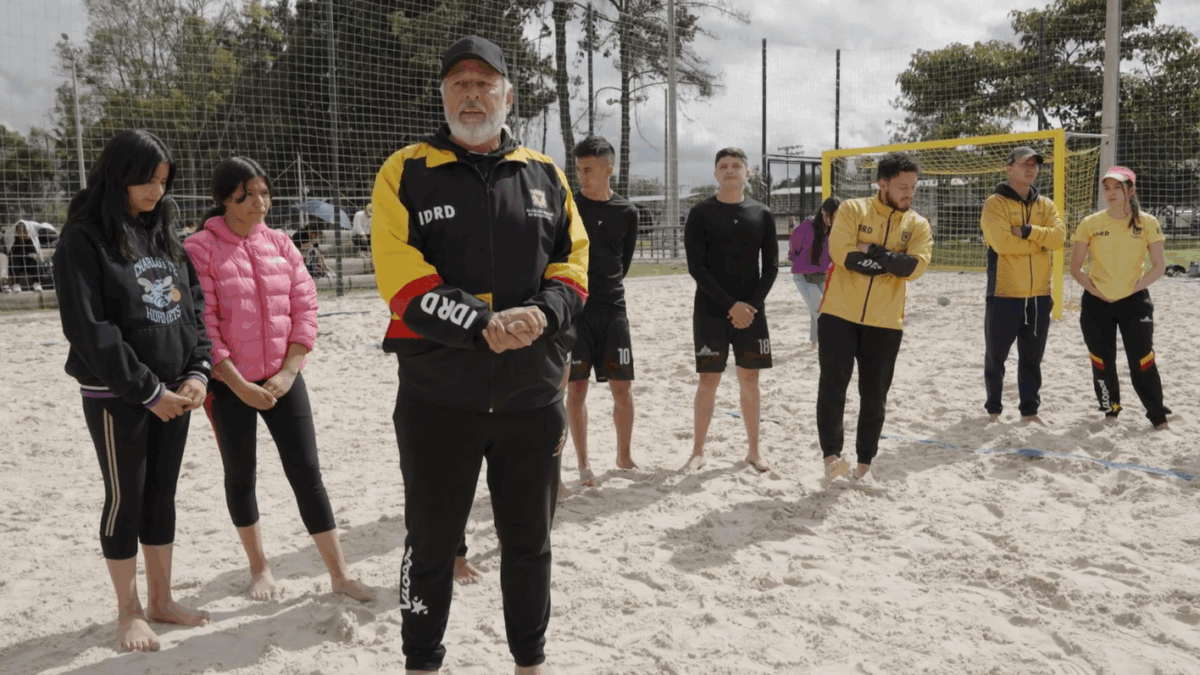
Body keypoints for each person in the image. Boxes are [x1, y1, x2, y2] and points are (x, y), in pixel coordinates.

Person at [371, 35, 587, 675]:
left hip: (532, 398)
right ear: (442, 94)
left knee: (529, 544)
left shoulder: (545, 174)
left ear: (507, 94)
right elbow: (400, 277)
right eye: (459, 83)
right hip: (440, 399)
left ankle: (530, 662)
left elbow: (574, 267)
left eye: (484, 83)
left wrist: (541, 314)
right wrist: (481, 322)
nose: (472, 94)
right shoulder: (404, 170)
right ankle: (421, 663)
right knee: (431, 546)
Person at [51, 129, 213, 652]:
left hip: (177, 392)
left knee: (161, 496)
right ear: (118, 173)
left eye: (164, 181)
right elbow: (89, 327)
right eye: (147, 179)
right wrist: (147, 390)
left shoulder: (166, 235)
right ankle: (129, 610)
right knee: (127, 497)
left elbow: (193, 311)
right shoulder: (83, 238)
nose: (156, 191)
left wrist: (196, 373)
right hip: (118, 394)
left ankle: (162, 600)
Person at [185, 157, 374, 603]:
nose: (259, 202)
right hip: (229, 386)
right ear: (225, 199)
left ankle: (340, 575)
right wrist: (236, 384)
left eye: (264, 192)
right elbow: (203, 327)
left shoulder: (283, 245)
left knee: (307, 472)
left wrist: (291, 370)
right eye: (246, 195)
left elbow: (305, 308)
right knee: (241, 475)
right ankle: (259, 568)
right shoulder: (199, 249)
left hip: (284, 380)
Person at [817, 152, 932, 482]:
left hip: (885, 321)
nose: (909, 193)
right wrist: (889, 264)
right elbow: (843, 256)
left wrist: (872, 250)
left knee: (875, 395)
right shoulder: (854, 209)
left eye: (913, 186)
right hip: (838, 314)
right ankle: (832, 458)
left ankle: (864, 465)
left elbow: (912, 269)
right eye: (901, 186)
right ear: (882, 184)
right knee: (833, 387)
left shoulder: (918, 225)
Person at [682, 147, 778, 474]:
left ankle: (753, 451)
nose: (729, 170)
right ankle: (697, 451)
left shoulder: (762, 213)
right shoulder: (700, 213)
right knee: (708, 379)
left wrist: (748, 307)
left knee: (750, 380)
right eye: (723, 166)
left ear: (747, 173)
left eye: (736, 165)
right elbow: (697, 268)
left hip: (752, 313)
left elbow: (772, 268)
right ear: (715, 173)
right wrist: (731, 306)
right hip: (711, 310)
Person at [558, 135, 639, 489]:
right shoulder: (569, 209)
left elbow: (624, 262)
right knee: (576, 388)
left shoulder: (627, 212)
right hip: (576, 311)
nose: (582, 176)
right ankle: (583, 463)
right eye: (578, 170)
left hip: (613, 310)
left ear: (609, 169)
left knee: (622, 388)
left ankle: (624, 456)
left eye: (589, 169)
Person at [1070, 166, 1172, 430]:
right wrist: (1094, 290)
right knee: (1101, 360)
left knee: (1142, 358)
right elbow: (1075, 267)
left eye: (1118, 187)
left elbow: (1159, 266)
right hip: (1096, 302)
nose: (1111, 193)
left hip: (1134, 301)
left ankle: (1158, 417)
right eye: (1107, 188)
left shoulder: (1147, 222)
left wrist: (1133, 288)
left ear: (1131, 190)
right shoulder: (1090, 223)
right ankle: (1110, 410)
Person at [979, 146, 1065, 424]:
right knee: (996, 357)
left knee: (1032, 359)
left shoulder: (1046, 205)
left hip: (1039, 295)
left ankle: (1030, 411)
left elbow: (1059, 237)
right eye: (1024, 163)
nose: (1031, 168)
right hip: (1004, 293)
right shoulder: (995, 203)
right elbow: (1002, 243)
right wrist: (1041, 245)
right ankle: (993, 411)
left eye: (1035, 164)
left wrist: (1029, 232)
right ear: (1009, 168)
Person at [788, 198, 840, 348]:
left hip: (821, 276)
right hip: (803, 276)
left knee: (816, 310)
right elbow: (793, 246)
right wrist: (799, 261)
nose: (836, 220)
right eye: (833, 216)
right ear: (824, 213)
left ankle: (814, 343)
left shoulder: (833, 230)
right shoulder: (807, 227)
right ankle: (830, 344)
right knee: (820, 310)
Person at [7, 221, 45, 292]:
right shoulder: (15, 240)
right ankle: (16, 284)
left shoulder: (30, 240)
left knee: (34, 260)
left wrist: (28, 241)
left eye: (23, 231)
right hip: (18, 264)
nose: (21, 233)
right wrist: (27, 254)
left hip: (28, 263)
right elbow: (13, 253)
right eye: (19, 231)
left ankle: (36, 283)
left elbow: (34, 252)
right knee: (15, 259)